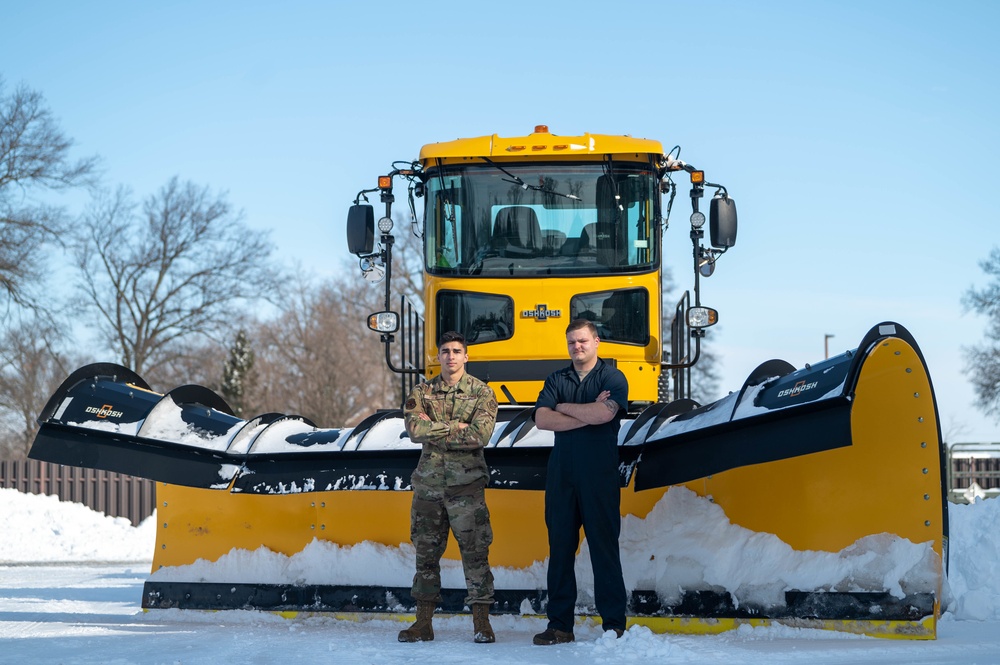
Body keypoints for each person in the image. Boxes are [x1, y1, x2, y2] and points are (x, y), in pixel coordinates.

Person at [531, 319, 629, 645]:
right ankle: (560, 626)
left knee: (604, 549)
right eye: (572, 342)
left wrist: (563, 407)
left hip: (599, 476)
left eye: (583, 341)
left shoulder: (613, 377)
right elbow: (542, 418)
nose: (578, 347)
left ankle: (614, 625)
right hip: (562, 477)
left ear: (597, 342)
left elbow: (605, 415)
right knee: (560, 551)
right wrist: (586, 412)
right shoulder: (557, 378)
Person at [398, 330, 499, 644]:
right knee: (426, 556)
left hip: (466, 487)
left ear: (466, 356)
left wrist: (435, 430)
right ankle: (423, 624)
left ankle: (482, 624)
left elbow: (480, 436)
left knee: (475, 555)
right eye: (445, 351)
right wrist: (456, 426)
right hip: (428, 487)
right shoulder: (422, 391)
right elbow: (415, 429)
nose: (451, 356)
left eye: (457, 351)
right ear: (438, 356)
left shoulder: (483, 393)